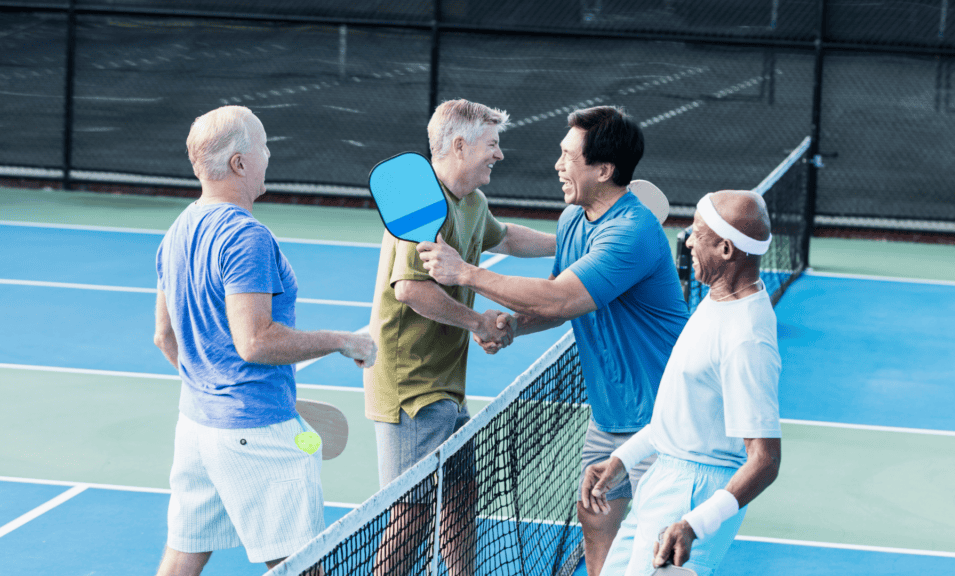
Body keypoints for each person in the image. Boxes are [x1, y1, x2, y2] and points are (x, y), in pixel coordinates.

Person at [417, 105, 689, 576]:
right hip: (609, 416)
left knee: (661, 552)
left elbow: (562, 299)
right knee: (595, 516)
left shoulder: (632, 232)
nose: (558, 166)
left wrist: (464, 272)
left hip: (661, 420)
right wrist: (511, 328)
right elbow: (548, 300)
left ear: (603, 170)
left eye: (569, 157)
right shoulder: (572, 221)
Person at [152, 105, 377, 575]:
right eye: (264, 145)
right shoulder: (245, 237)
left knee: (182, 559)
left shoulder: (177, 231)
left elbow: (164, 337)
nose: (270, 155)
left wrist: (212, 390)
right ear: (239, 163)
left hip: (196, 427)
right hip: (255, 429)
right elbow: (254, 342)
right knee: (301, 567)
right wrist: (343, 340)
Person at [366, 98, 556, 576]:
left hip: (446, 380)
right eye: (492, 144)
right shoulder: (419, 201)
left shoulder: (472, 202)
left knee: (459, 498)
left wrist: (572, 243)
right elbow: (411, 289)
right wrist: (477, 323)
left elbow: (507, 238)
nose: (500, 154)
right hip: (411, 386)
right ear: (459, 145)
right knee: (410, 516)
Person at [580, 189, 783, 576]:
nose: (687, 240)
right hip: (663, 478)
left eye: (697, 233)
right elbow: (684, 416)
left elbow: (766, 460)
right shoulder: (717, 299)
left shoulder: (746, 339)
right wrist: (624, 459)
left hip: (692, 497)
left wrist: (696, 523)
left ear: (726, 249)